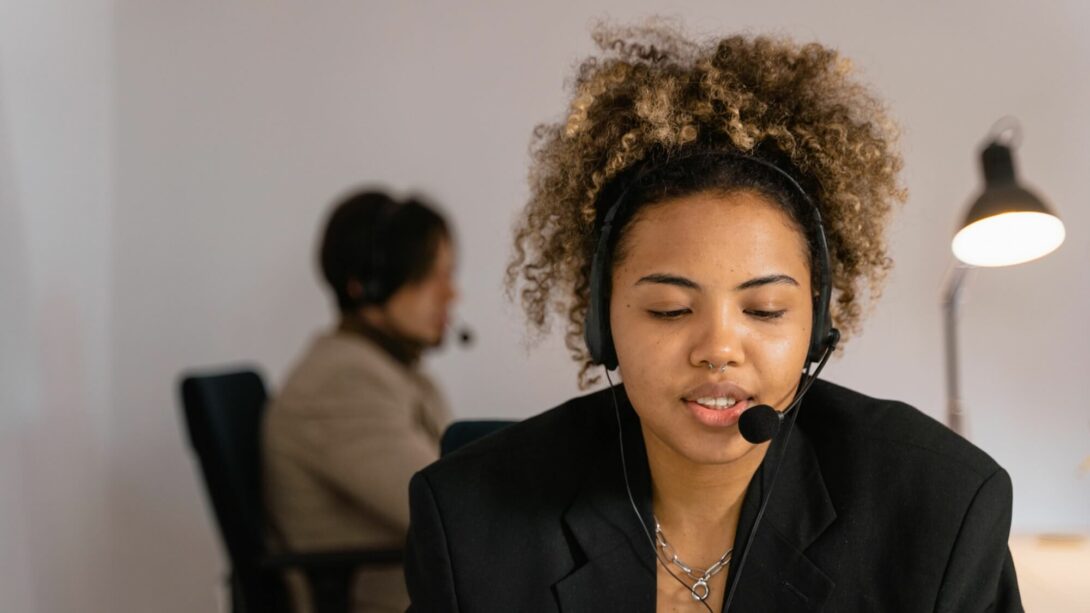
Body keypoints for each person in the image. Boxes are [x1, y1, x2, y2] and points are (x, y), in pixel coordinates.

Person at [403, 23, 1023, 612]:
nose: (719, 348)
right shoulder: (469, 522)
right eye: (670, 309)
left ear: (816, 323)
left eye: (764, 309)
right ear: (601, 318)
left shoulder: (941, 513)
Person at [264, 189, 456, 612]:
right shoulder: (342, 382)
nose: (450, 294)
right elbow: (451, 512)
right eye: (429, 275)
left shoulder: (388, 369)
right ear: (368, 284)